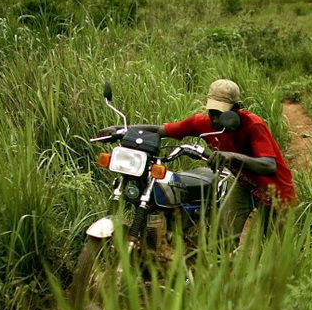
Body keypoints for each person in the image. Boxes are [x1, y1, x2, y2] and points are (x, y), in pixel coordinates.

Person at [105, 79, 296, 242]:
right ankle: (222, 273)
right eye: (212, 111)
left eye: (220, 113)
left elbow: (269, 166)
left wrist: (231, 156)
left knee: (276, 244)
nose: (214, 117)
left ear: (236, 109)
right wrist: (124, 129)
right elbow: (163, 130)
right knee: (223, 235)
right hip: (245, 184)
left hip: (274, 188)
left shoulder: (253, 124)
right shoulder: (202, 122)